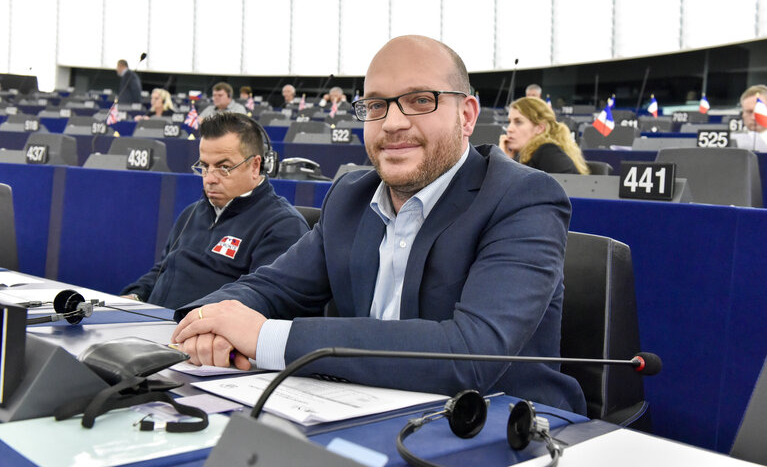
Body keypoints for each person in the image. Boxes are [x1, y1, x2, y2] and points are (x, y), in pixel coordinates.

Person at [171, 35, 586, 414]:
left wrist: (263, 338)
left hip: (502, 427)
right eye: (376, 105)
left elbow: (470, 355)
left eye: (420, 100)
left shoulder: (523, 198)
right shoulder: (351, 196)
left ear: (467, 115)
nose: (392, 122)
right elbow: (271, 287)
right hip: (359, 413)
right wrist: (207, 322)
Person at [121, 112, 309, 309]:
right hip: (152, 324)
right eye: (204, 166)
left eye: (223, 167)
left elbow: (262, 302)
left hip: (203, 334)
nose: (209, 178)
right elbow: (162, 271)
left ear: (255, 166)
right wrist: (135, 296)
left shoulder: (282, 226)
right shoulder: (192, 213)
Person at [500, 97, 589, 175]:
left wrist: (502, 161)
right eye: (509, 122)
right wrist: (507, 160)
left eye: (518, 122)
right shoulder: (527, 155)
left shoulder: (548, 152)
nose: (509, 129)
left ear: (540, 128)